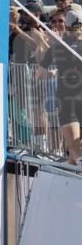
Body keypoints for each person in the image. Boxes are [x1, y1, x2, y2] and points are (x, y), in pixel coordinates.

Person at [39, 14, 82, 165]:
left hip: (67, 100)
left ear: (67, 26)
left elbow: (39, 74)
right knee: (74, 155)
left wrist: (54, 73)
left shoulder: (57, 45)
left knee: (76, 153)